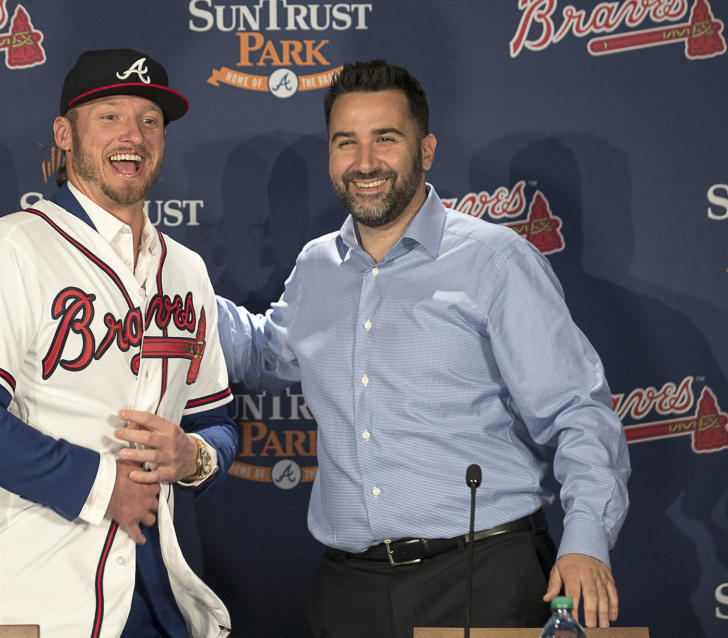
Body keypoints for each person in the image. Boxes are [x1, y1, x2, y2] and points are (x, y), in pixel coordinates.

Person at [215, 59, 631, 636]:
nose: (365, 163)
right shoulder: (317, 266)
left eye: (386, 139)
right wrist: (161, 287)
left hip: (483, 580)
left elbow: (577, 413)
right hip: (347, 590)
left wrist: (585, 539)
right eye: (346, 142)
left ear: (426, 149)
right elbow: (264, 351)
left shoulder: (495, 260)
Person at [0, 48, 236, 638]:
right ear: (64, 135)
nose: (134, 135)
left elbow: (217, 422)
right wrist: (101, 486)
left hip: (156, 589)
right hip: (35, 595)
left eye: (150, 120)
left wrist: (193, 456)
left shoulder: (186, 270)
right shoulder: (13, 247)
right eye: (109, 116)